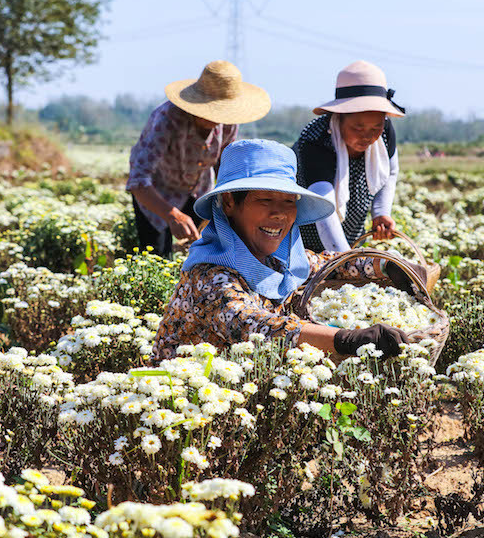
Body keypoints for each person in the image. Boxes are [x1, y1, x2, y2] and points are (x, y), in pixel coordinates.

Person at [152, 139, 414, 362]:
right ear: (229, 203)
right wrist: (347, 339)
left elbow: (324, 263)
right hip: (185, 397)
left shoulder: (274, 259)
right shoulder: (209, 274)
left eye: (289, 201)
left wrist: (386, 264)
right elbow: (257, 327)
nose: (279, 214)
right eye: (265, 199)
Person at [127, 60, 270, 258]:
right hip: (155, 192)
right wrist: (172, 215)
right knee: (156, 256)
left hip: (198, 191)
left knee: (206, 251)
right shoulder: (167, 119)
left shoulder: (228, 123)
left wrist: (231, 205)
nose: (217, 118)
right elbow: (138, 181)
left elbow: (224, 165)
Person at [293, 61, 404, 253]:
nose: (368, 136)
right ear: (339, 117)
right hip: (306, 237)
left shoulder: (385, 131)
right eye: (358, 128)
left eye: (375, 128)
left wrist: (380, 212)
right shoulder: (317, 139)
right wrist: (345, 260)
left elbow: (390, 172)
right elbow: (322, 206)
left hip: (351, 232)